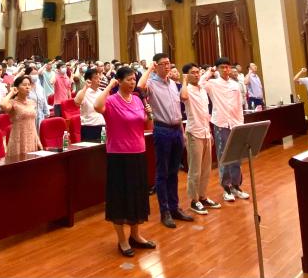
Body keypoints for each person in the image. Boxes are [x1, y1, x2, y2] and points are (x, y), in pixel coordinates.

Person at [94, 66, 156, 257]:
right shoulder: (111, 101)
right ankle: (122, 239)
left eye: (134, 79)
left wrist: (150, 115)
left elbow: (147, 125)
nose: (132, 83)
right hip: (119, 155)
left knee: (137, 196)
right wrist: (109, 86)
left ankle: (135, 235)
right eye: (128, 79)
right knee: (120, 197)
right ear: (119, 81)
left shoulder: (137, 99)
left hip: (138, 152)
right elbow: (97, 106)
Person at [139, 53, 195, 228]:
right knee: (162, 172)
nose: (167, 66)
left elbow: (177, 110)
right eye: (163, 63)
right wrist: (150, 68)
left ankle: (174, 207)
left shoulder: (172, 84)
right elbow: (140, 86)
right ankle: (165, 211)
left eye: (168, 63)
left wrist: (182, 132)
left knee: (174, 171)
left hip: (176, 129)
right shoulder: (151, 83)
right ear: (156, 66)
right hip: (162, 129)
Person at [203, 57, 250, 202]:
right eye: (222, 67)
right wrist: (209, 72)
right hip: (221, 123)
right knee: (223, 155)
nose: (225, 69)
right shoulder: (212, 84)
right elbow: (200, 83)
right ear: (217, 69)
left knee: (236, 155)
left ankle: (236, 186)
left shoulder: (235, 84)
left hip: (236, 123)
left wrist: (241, 123)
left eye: (227, 67)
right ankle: (226, 187)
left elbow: (239, 105)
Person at [179, 63, 221, 215]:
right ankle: (194, 200)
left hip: (205, 132)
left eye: (198, 72)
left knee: (206, 169)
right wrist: (184, 80)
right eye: (193, 73)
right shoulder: (187, 89)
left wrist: (209, 132)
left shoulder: (202, 88)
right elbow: (183, 97)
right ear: (187, 75)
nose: (197, 75)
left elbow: (205, 113)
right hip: (194, 133)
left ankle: (203, 197)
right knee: (195, 170)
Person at [0, 75, 42, 158]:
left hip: (31, 138)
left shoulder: (32, 102)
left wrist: (38, 140)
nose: (27, 87)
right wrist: (11, 92)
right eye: (24, 85)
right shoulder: (13, 103)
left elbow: (33, 124)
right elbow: (2, 105)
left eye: (29, 85)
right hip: (18, 139)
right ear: (17, 88)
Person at [74, 67, 105, 142]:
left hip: (102, 126)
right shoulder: (84, 92)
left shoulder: (101, 92)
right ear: (89, 80)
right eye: (96, 78)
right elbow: (77, 103)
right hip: (89, 127)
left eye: (99, 78)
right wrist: (85, 87)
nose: (99, 80)